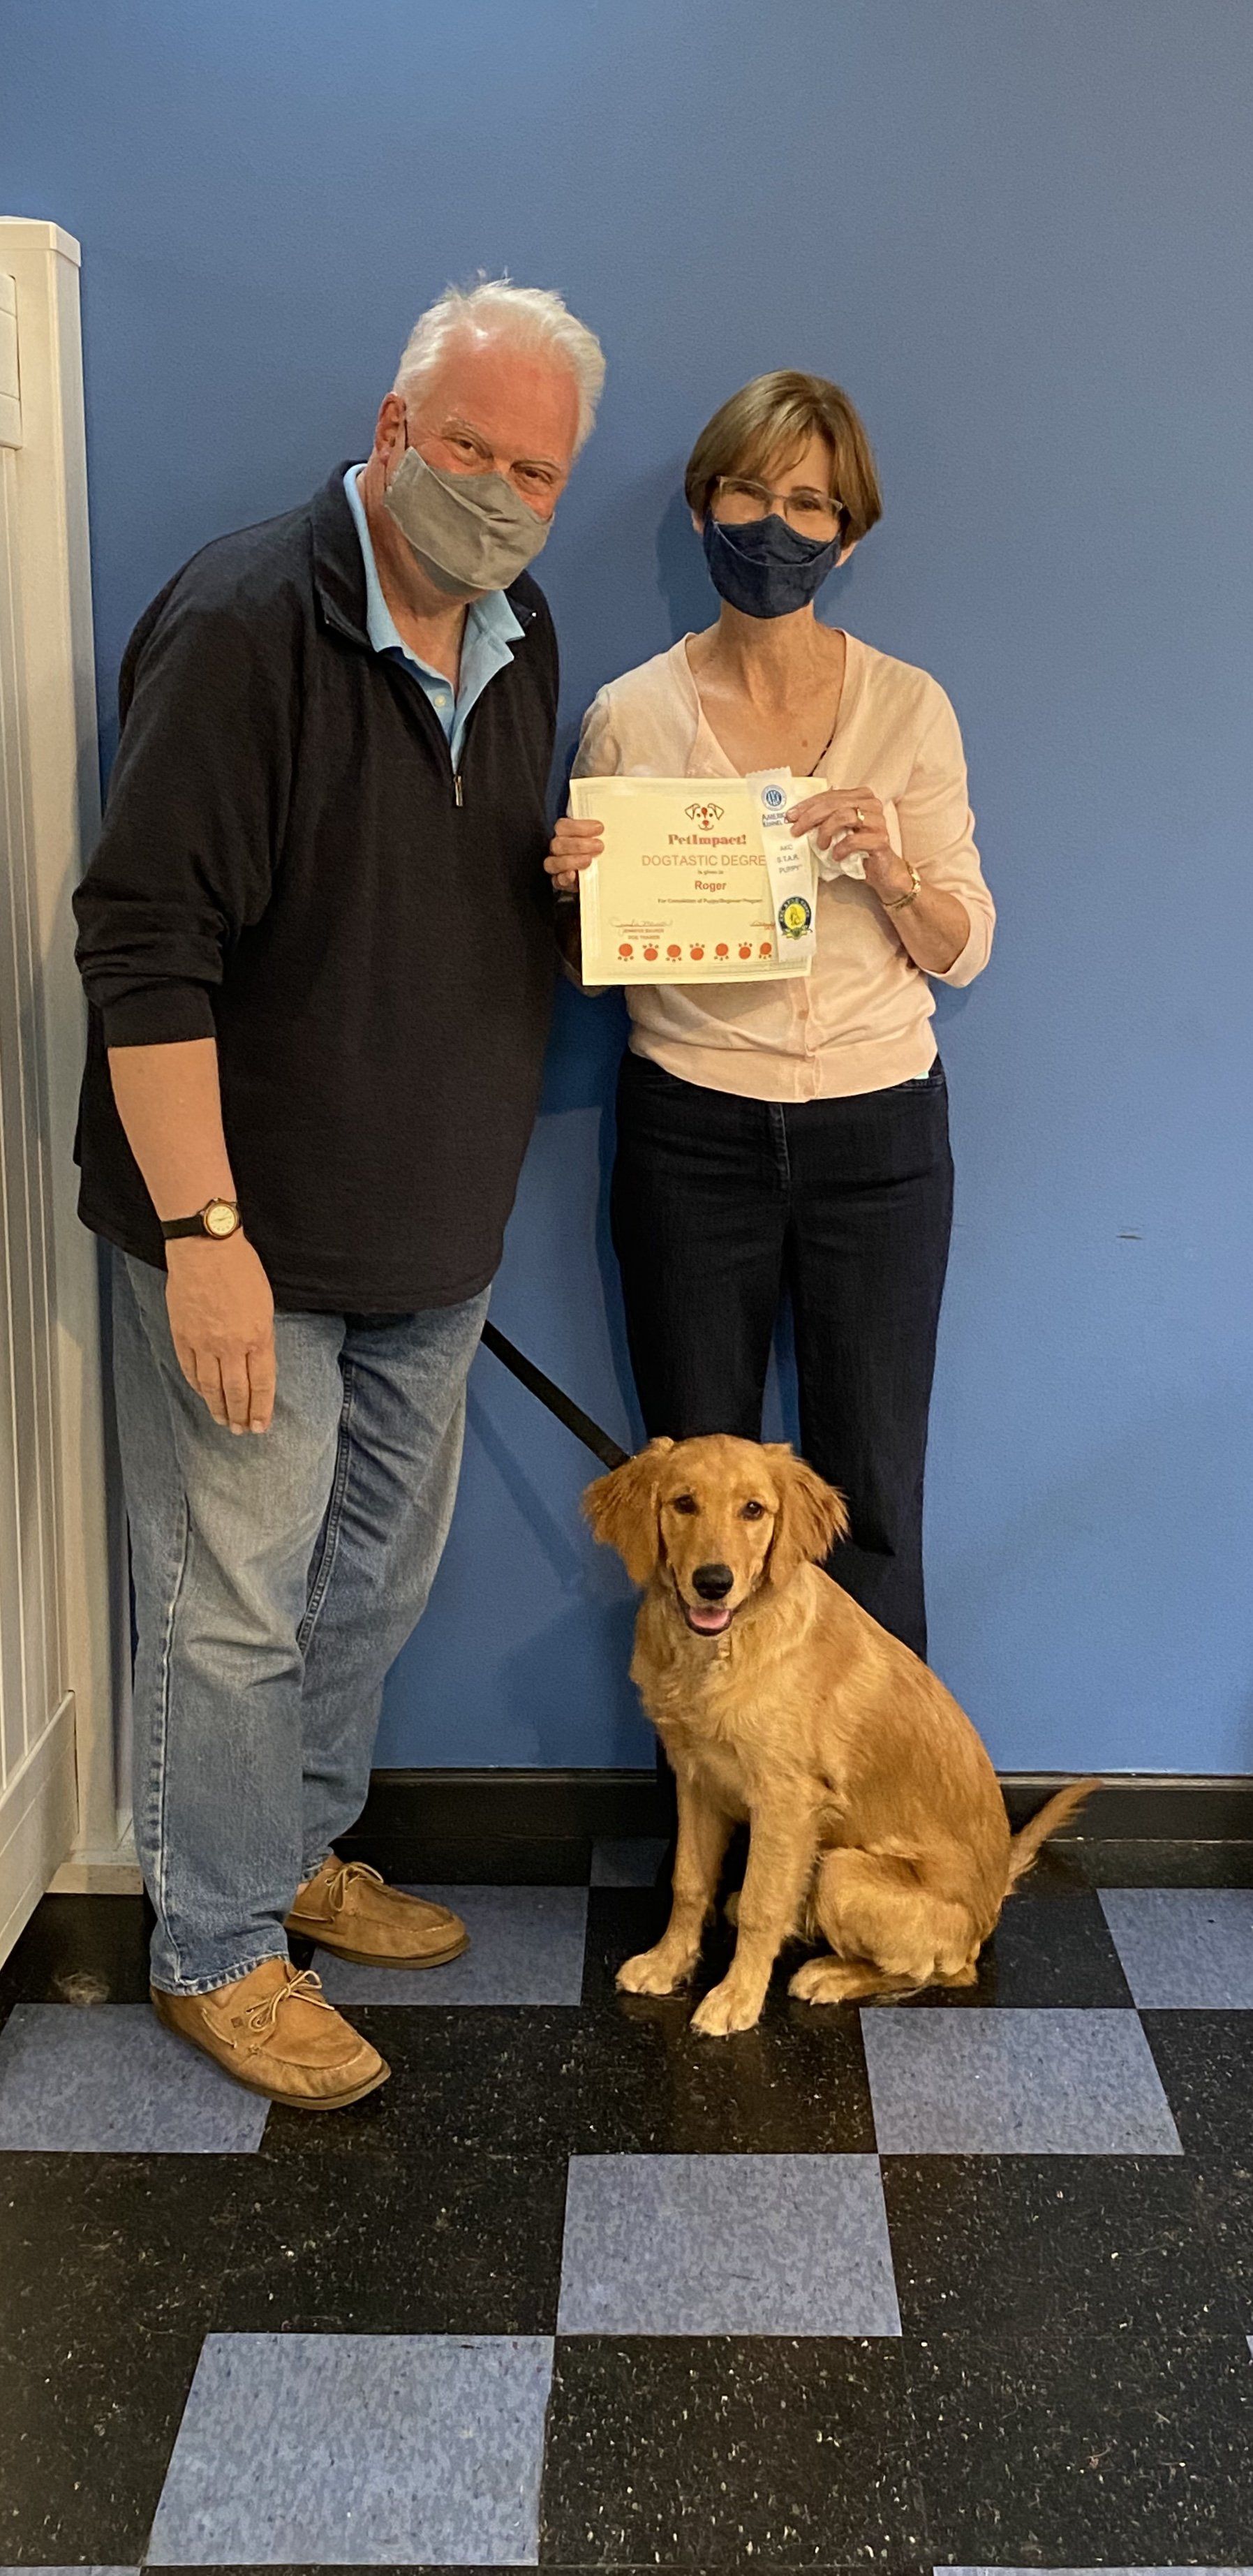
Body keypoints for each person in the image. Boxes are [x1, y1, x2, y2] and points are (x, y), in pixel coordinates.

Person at [73, 279, 605, 2109]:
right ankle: (216, 1947)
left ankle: (292, 1850)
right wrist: (207, 1239)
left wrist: (576, 880)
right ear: (393, 430)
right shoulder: (241, 624)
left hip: (430, 1235)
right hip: (253, 1242)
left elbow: (454, 906)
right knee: (231, 1605)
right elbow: (138, 944)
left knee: (364, 1588)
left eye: (535, 467)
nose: (501, 492)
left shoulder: (521, 632)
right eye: (471, 449)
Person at [549, 369, 993, 1666]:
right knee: (693, 1504)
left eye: (809, 502)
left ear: (847, 535)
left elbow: (965, 946)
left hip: (881, 1136)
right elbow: (593, 969)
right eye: (750, 489)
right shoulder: (632, 714)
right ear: (704, 506)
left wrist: (893, 864)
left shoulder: (909, 708)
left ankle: (876, 1838)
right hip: (691, 1131)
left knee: (871, 1497)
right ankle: (721, 1838)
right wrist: (573, 894)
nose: (774, 523)